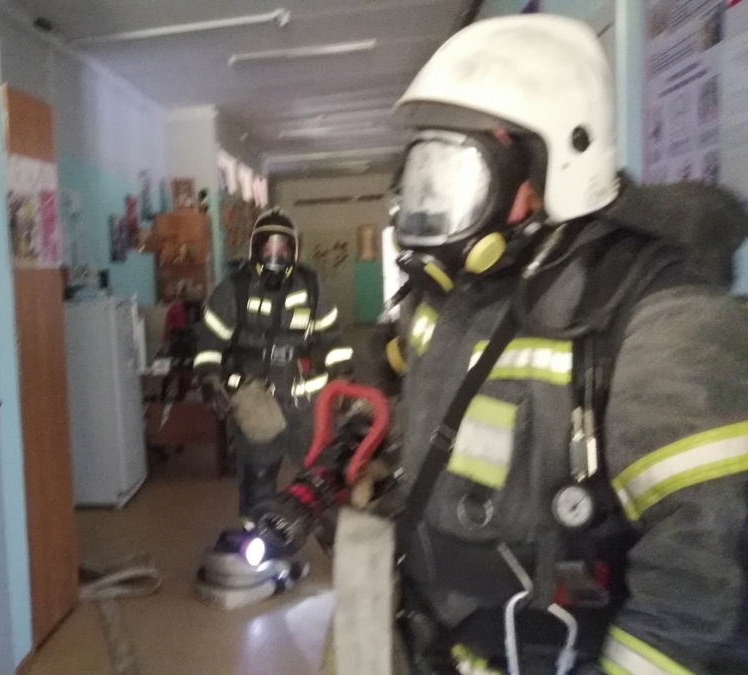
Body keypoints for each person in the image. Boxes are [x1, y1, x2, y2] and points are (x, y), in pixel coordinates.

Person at [375, 14, 748, 674]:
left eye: (459, 168)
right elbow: (408, 377)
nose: (434, 197)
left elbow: (704, 568)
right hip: (440, 643)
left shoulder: (663, 316)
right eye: (425, 169)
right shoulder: (460, 292)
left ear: (551, 166)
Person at [194, 208, 354, 518]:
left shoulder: (311, 285)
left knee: (322, 477)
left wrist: (343, 378)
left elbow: (333, 338)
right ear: (255, 250)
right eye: (268, 248)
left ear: (295, 252)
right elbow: (209, 344)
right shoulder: (233, 290)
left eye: (283, 249)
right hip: (257, 398)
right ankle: (257, 538)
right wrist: (210, 380)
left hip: (306, 401)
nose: (275, 256)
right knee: (258, 482)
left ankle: (330, 534)